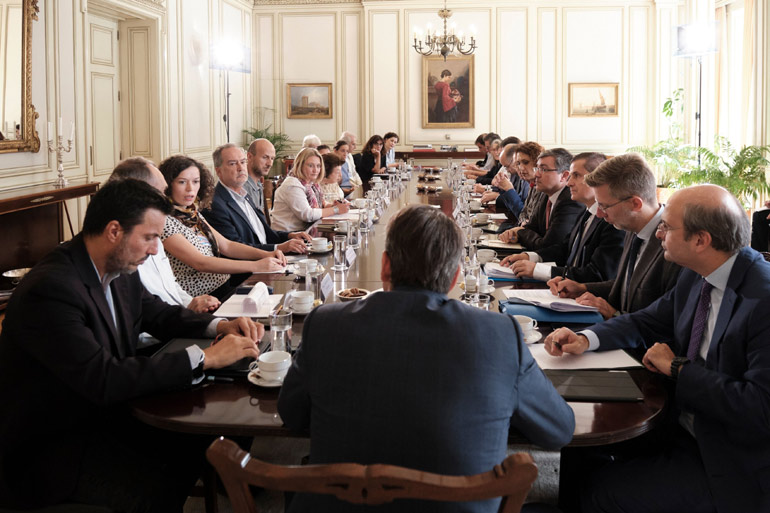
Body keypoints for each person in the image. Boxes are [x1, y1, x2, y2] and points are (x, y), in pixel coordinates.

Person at [278, 204, 575, 513]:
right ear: (455, 277)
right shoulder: (500, 334)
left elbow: (292, 414)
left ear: (384, 266)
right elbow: (558, 429)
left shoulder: (324, 324)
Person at [0, 179, 264, 512]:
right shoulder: (52, 289)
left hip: (104, 418)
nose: (155, 250)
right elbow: (103, 377)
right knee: (160, 481)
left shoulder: (119, 266)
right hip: (54, 449)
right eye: (150, 237)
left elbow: (159, 314)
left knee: (203, 441)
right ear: (114, 231)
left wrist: (222, 325)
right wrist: (205, 358)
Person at [545, 184, 770, 513]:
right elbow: (645, 321)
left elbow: (760, 407)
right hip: (679, 422)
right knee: (577, 452)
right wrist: (586, 339)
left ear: (700, 240)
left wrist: (678, 368)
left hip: (727, 458)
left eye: (667, 226)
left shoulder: (763, 298)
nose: (659, 233)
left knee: (601, 492)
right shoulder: (697, 274)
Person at [547, 153, 681, 318]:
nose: (599, 214)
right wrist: (582, 288)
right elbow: (626, 286)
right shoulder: (632, 228)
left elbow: (665, 320)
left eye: (604, 206)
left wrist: (614, 314)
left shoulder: (675, 245)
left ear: (635, 204)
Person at [159, 155, 285, 299]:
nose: (190, 188)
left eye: (195, 182)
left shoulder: (192, 213)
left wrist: (266, 254)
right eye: (182, 182)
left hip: (225, 287)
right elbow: (200, 263)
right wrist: (257, 265)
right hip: (203, 300)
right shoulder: (164, 221)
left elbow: (227, 245)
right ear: (168, 185)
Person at [109, 157, 220, 314]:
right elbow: (147, 312)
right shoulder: (121, 245)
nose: (165, 198)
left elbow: (171, 285)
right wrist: (188, 313)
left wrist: (191, 305)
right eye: (160, 193)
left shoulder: (154, 231)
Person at [502, 152, 625, 283]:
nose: (569, 183)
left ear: (598, 179)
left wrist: (537, 270)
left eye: (576, 176)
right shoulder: (587, 212)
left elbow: (597, 275)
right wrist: (530, 257)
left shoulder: (612, 221)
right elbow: (564, 249)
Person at [203, 144, 311, 254]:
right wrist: (278, 248)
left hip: (270, 257)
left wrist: (290, 236)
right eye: (233, 164)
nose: (240, 168)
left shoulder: (244, 194)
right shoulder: (214, 204)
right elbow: (235, 249)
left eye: (243, 162)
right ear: (218, 171)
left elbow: (264, 234)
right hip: (254, 263)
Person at [499, 148, 585, 250]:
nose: (536, 174)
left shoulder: (570, 201)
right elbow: (531, 227)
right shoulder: (545, 194)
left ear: (564, 175)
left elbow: (548, 246)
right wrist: (517, 233)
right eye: (537, 168)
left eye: (543, 169)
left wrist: (519, 232)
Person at [271, 147, 349, 232]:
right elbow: (307, 215)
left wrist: (333, 205)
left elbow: (321, 204)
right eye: (310, 165)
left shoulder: (311, 183)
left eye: (318, 166)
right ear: (300, 165)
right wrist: (336, 210)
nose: (315, 170)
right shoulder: (293, 185)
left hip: (304, 231)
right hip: (288, 234)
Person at [485, 143, 529, 226]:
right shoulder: (515, 175)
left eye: (507, 166)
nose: (507, 170)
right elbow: (510, 207)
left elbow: (522, 214)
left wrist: (509, 190)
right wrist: (502, 188)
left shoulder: (528, 180)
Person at [244, 138, 275, 215]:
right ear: (249, 157)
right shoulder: (242, 187)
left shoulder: (258, 184)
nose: (270, 164)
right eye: (265, 157)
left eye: (272, 158)